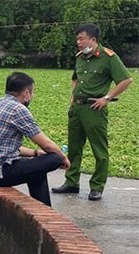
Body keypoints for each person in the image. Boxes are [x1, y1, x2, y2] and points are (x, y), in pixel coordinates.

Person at [52, 23, 133, 201]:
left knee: (99, 150)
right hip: (77, 108)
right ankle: (71, 182)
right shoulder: (80, 58)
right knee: (74, 148)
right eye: (77, 39)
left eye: (81, 39)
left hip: (94, 109)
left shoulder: (108, 57)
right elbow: (75, 78)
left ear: (93, 39)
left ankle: (97, 187)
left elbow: (126, 80)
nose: (78, 43)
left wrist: (107, 97)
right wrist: (73, 98)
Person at [0, 72, 70, 207]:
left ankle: (44, 210)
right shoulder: (18, 109)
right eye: (32, 92)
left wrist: (35, 153)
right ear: (27, 93)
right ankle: (44, 209)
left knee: (37, 170)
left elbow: (4, 146)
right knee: (54, 158)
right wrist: (63, 158)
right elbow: (47, 145)